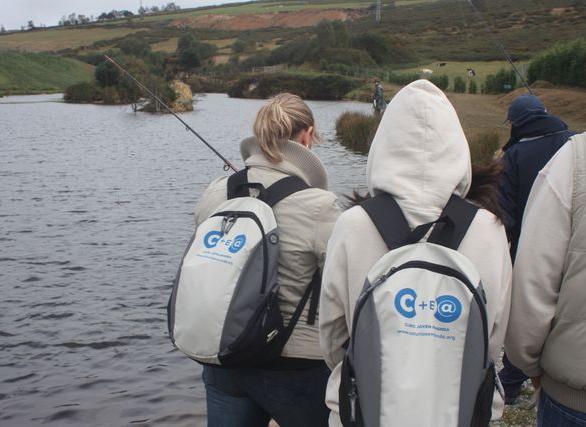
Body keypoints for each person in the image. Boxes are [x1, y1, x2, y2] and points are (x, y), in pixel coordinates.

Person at [319, 79, 513, 426]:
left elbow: (333, 337)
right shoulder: (489, 229)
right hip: (462, 413)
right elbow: (493, 338)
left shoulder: (353, 225)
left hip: (365, 411)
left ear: (384, 147)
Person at [194, 93, 342, 427]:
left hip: (224, 358)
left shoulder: (216, 192)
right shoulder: (322, 206)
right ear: (307, 135)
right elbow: (342, 285)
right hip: (296, 369)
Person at [505, 22, 586, 425]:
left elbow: (532, 286)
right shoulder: (570, 146)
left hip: (581, 404)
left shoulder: (577, 159)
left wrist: (528, 364)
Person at [497, 94, 575, 404]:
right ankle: (557, 372)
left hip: (530, 248)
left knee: (527, 312)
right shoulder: (577, 142)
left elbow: (506, 214)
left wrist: (505, 255)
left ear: (516, 123)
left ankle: (513, 381)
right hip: (574, 244)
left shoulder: (514, 155)